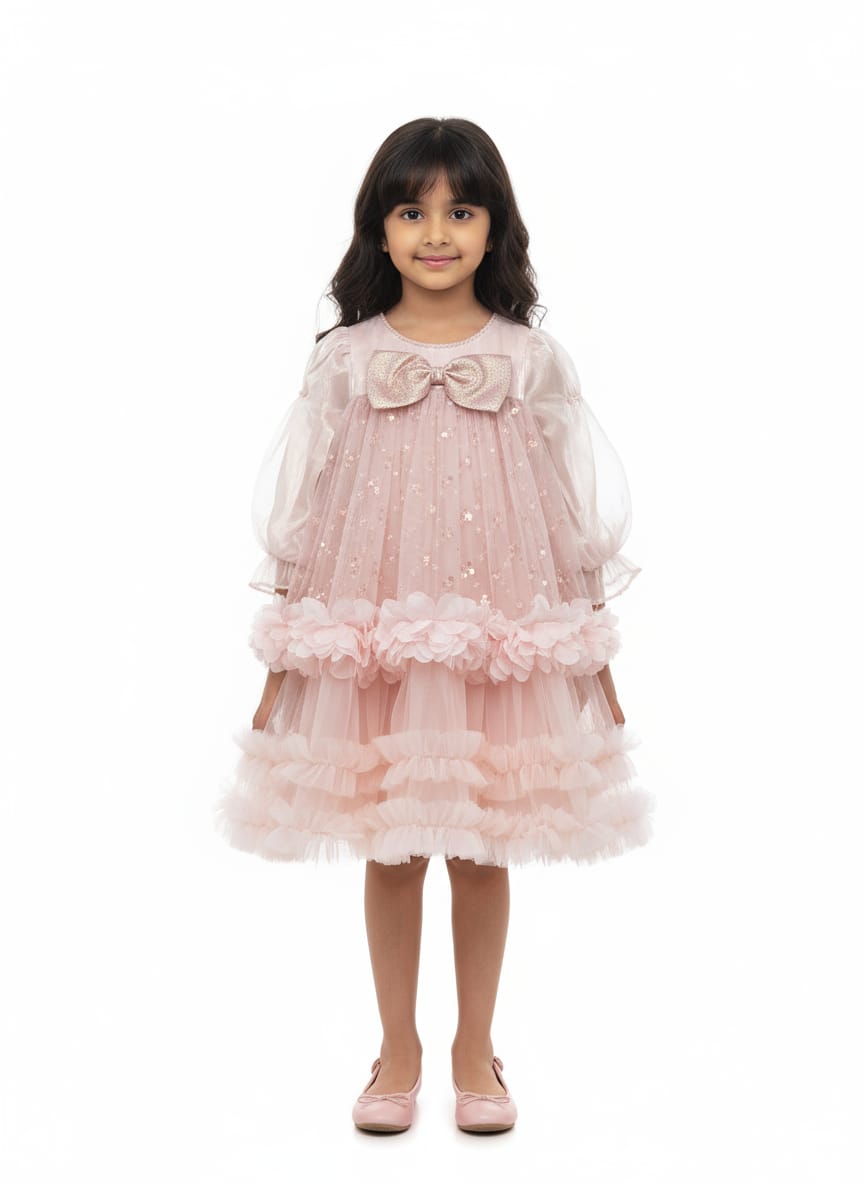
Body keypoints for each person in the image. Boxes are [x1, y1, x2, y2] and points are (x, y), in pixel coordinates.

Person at [213, 116, 654, 1134]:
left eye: (462, 210)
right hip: (381, 632)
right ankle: (397, 1047)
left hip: (497, 633)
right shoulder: (346, 359)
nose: (438, 233)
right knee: (394, 843)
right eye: (412, 212)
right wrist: (285, 660)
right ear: (379, 227)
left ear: (496, 226)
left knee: (485, 842)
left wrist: (590, 656)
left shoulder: (531, 359)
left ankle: (475, 1049)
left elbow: (568, 509)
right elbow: (308, 512)